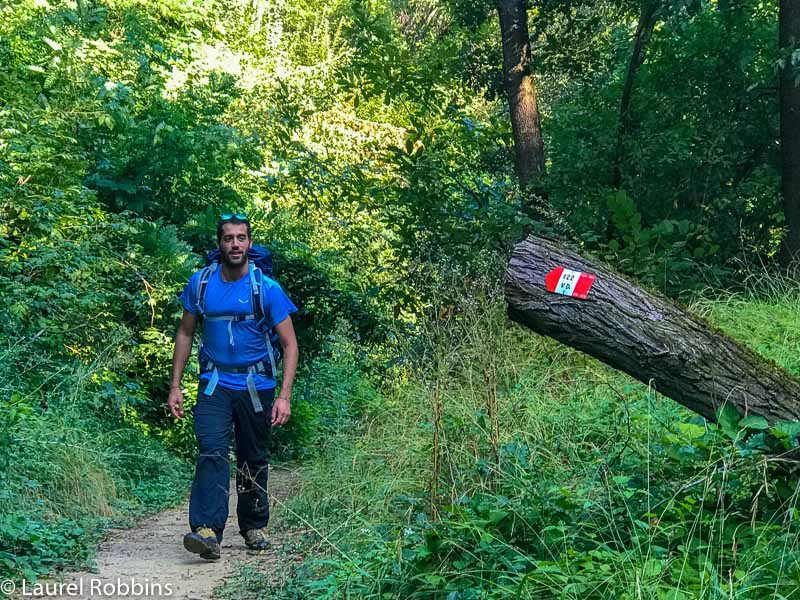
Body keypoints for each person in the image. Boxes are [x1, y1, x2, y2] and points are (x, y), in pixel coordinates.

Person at [167, 214, 298, 560]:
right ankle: (207, 530)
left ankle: (254, 525)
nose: (235, 244)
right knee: (211, 450)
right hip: (214, 383)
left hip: (257, 384)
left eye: (241, 238)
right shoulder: (202, 283)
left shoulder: (266, 289)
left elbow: (290, 345)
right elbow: (184, 333)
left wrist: (284, 396)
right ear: (219, 244)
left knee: (252, 457)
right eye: (228, 238)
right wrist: (175, 385)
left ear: (249, 244)